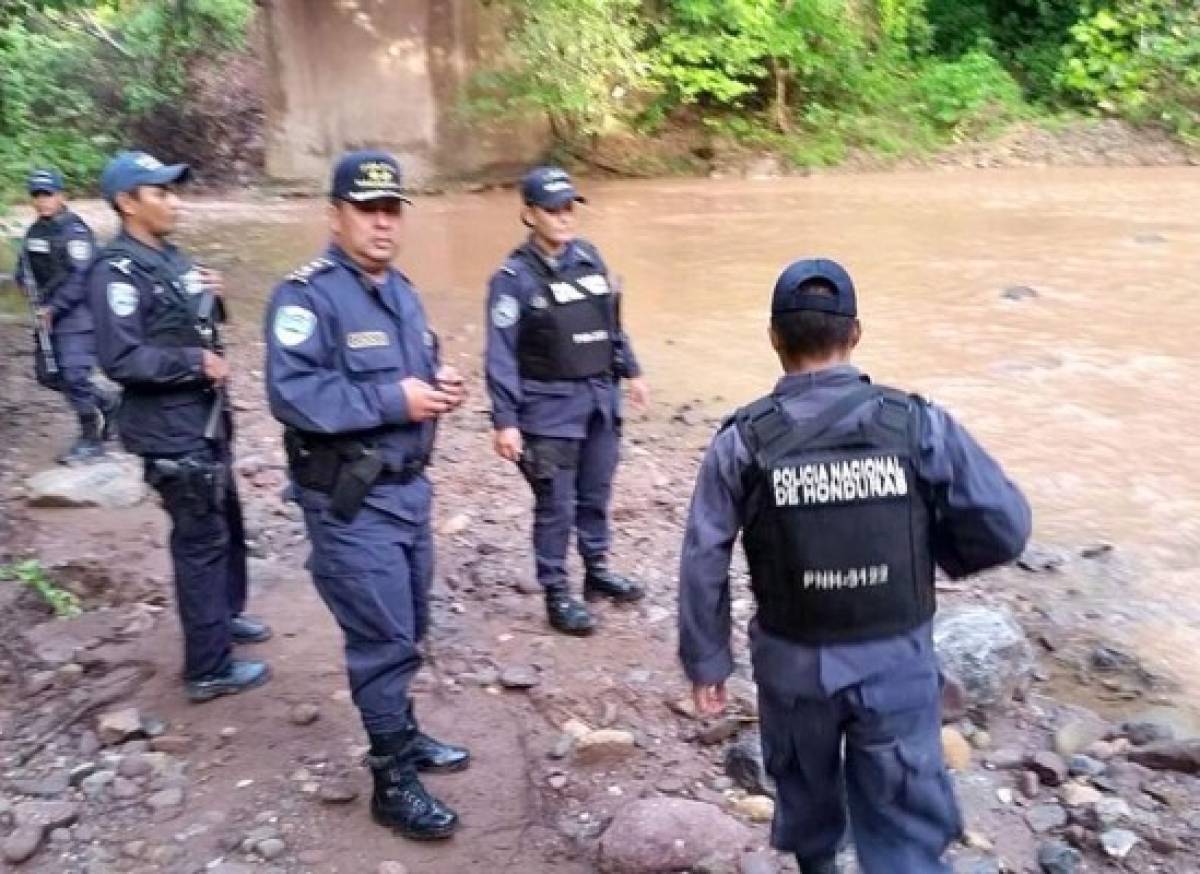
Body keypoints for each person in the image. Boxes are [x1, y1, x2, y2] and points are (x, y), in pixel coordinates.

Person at [677, 258, 1032, 874]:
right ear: (856, 335)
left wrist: (707, 660)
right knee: (903, 832)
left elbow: (705, 553)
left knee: (810, 815)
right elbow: (1006, 525)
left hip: (793, 668)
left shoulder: (742, 440)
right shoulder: (918, 425)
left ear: (773, 338)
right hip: (894, 658)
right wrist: (937, 555)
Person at [264, 150, 470, 841]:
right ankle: (391, 780)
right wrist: (394, 397)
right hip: (351, 503)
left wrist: (438, 387)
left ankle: (404, 736)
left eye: (391, 210)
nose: (382, 223)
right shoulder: (307, 296)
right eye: (367, 209)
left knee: (407, 626)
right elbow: (292, 395)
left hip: (408, 495)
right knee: (381, 638)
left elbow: (412, 378)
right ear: (335, 215)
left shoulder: (402, 292)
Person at [88, 150, 270, 703]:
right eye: (160, 193)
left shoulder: (170, 259)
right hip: (171, 430)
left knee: (227, 524)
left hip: (205, 421)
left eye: (174, 191)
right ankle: (207, 669)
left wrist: (216, 299)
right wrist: (193, 363)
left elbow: (192, 326)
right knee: (199, 542)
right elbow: (121, 361)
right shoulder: (114, 272)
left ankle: (223, 617)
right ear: (126, 203)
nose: (175, 201)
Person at [484, 166, 650, 636]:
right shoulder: (512, 278)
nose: (563, 216)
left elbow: (612, 324)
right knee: (556, 503)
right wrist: (505, 419)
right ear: (529, 214)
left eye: (569, 206)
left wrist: (632, 370)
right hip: (547, 409)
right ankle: (557, 591)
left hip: (599, 399)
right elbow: (499, 353)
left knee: (596, 493)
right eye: (553, 208)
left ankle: (596, 570)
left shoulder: (590, 258)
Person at [16, 168, 120, 463]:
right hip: (46, 314)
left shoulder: (75, 231)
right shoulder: (35, 231)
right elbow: (26, 267)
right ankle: (108, 401)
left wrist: (54, 307)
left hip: (77, 315)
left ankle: (91, 437)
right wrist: (23, 282)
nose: (41, 200)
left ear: (61, 196)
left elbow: (82, 277)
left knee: (74, 375)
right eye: (36, 195)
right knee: (49, 375)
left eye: (47, 194)